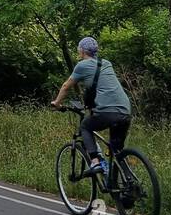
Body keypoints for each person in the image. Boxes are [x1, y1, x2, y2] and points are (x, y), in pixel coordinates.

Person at [51, 36, 132, 179]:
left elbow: (66, 86)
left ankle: (95, 162)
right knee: (116, 149)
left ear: (82, 51)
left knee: (85, 126)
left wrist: (57, 103)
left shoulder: (82, 65)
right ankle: (128, 184)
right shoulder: (106, 63)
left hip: (107, 112)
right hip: (125, 110)